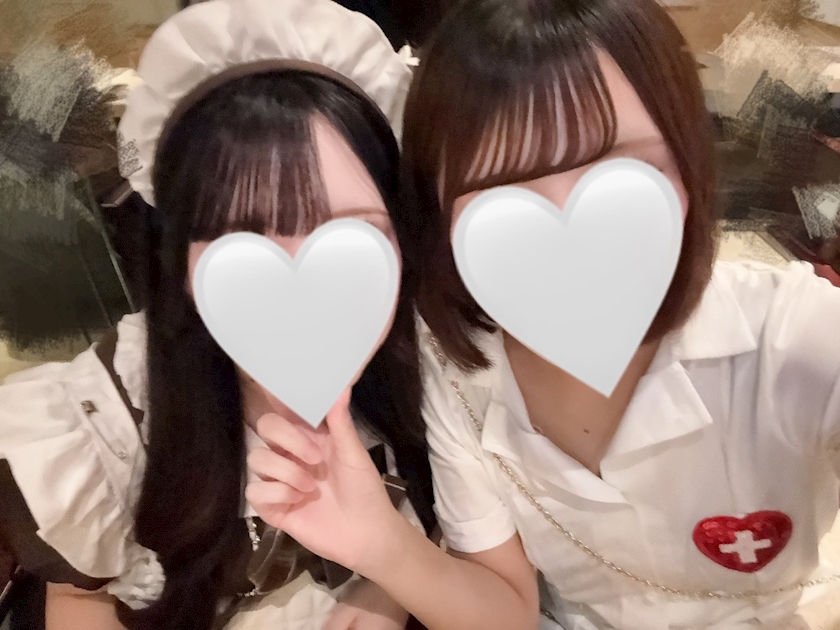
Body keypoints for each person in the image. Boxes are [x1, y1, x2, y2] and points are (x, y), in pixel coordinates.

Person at [245, 0, 840, 628]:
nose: (571, 241)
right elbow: (507, 609)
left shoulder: (795, 336)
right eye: (503, 193)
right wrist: (382, 546)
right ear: (440, 213)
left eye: (622, 170)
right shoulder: (455, 368)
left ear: (688, 163)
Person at [0, 0, 436, 629]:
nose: (299, 278)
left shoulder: (428, 364)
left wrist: (386, 595)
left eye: (346, 233)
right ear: (182, 256)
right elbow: (79, 597)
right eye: (243, 239)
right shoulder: (116, 415)